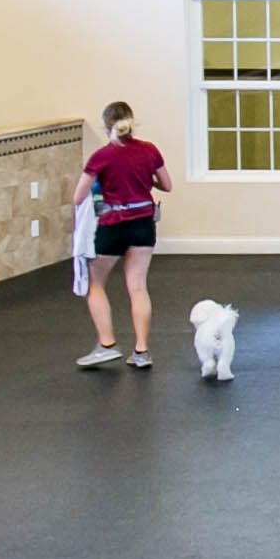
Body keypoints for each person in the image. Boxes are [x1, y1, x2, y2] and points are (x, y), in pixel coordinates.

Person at [76, 101, 169, 370]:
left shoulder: (101, 156)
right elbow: (167, 185)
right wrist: (144, 181)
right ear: (131, 122)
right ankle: (141, 351)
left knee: (95, 283)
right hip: (143, 224)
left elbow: (78, 196)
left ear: (106, 127)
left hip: (113, 224)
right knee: (137, 286)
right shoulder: (149, 150)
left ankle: (106, 345)